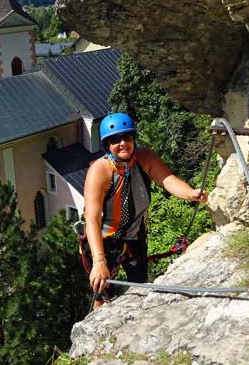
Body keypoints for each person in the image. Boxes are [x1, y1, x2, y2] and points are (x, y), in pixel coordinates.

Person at [83, 112, 208, 307]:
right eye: (115, 140)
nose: (123, 143)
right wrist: (99, 261)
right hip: (105, 240)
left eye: (127, 137)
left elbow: (168, 180)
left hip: (135, 236)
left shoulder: (144, 158)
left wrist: (191, 193)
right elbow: (91, 219)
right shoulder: (100, 170)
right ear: (107, 145)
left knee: (140, 287)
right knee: (102, 293)